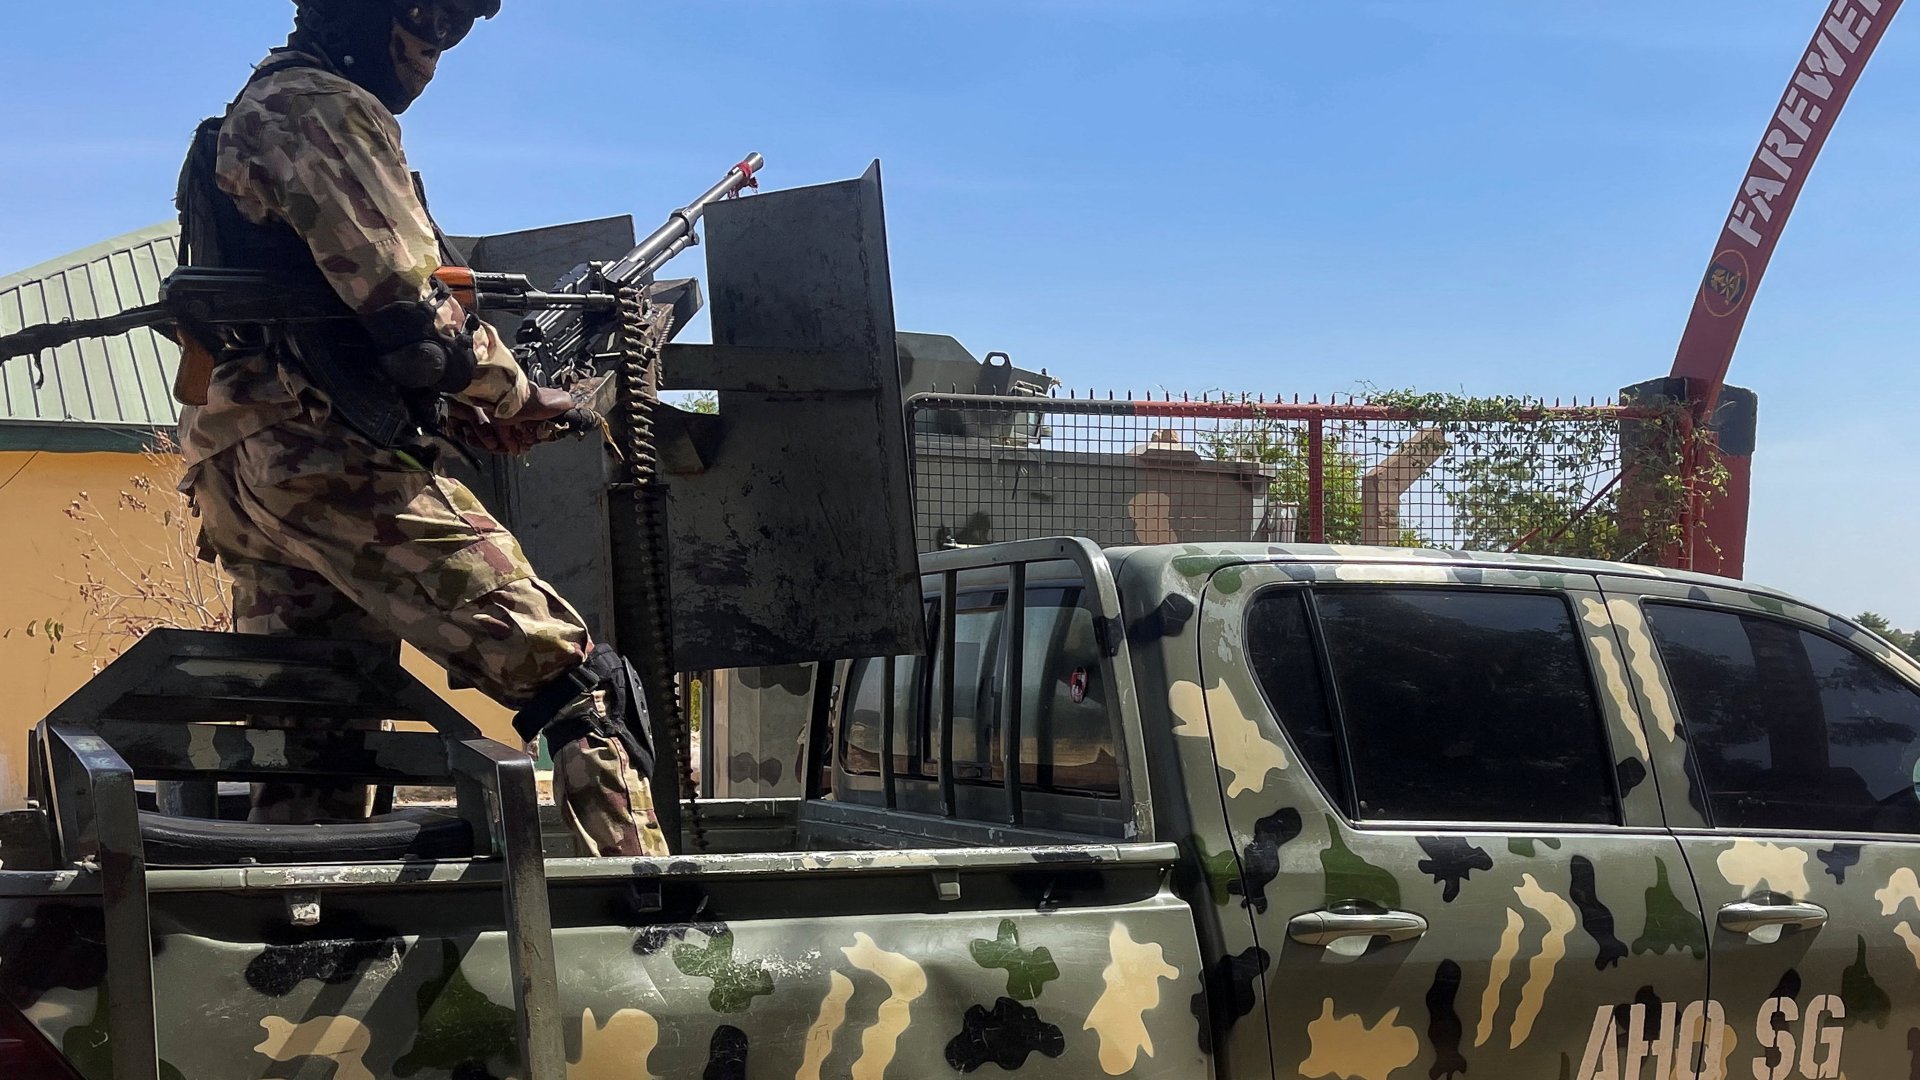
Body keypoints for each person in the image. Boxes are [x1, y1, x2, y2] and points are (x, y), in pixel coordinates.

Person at [173, 0, 669, 858]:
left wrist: (466, 403)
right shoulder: (323, 105)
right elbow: (412, 316)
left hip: (249, 466)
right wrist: (517, 395)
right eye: (426, 19)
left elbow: (349, 320)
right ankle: (658, 914)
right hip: (326, 459)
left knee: (321, 736)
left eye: (455, 28)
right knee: (581, 686)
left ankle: (309, 927)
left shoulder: (263, 107)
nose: (434, 53)